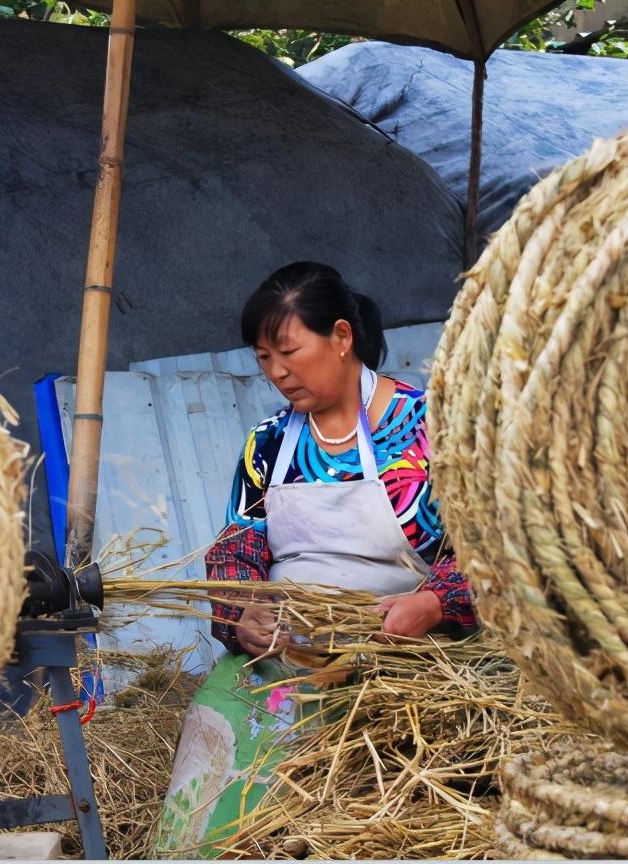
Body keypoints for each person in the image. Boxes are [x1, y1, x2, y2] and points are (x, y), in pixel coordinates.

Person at [153, 261, 477, 858]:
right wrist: (241, 611)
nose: (277, 373)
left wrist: (433, 602)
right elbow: (239, 546)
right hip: (285, 652)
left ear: (342, 337)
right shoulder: (270, 442)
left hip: (397, 657)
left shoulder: (427, 427)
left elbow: (488, 546)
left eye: (289, 352)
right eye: (263, 359)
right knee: (217, 730)